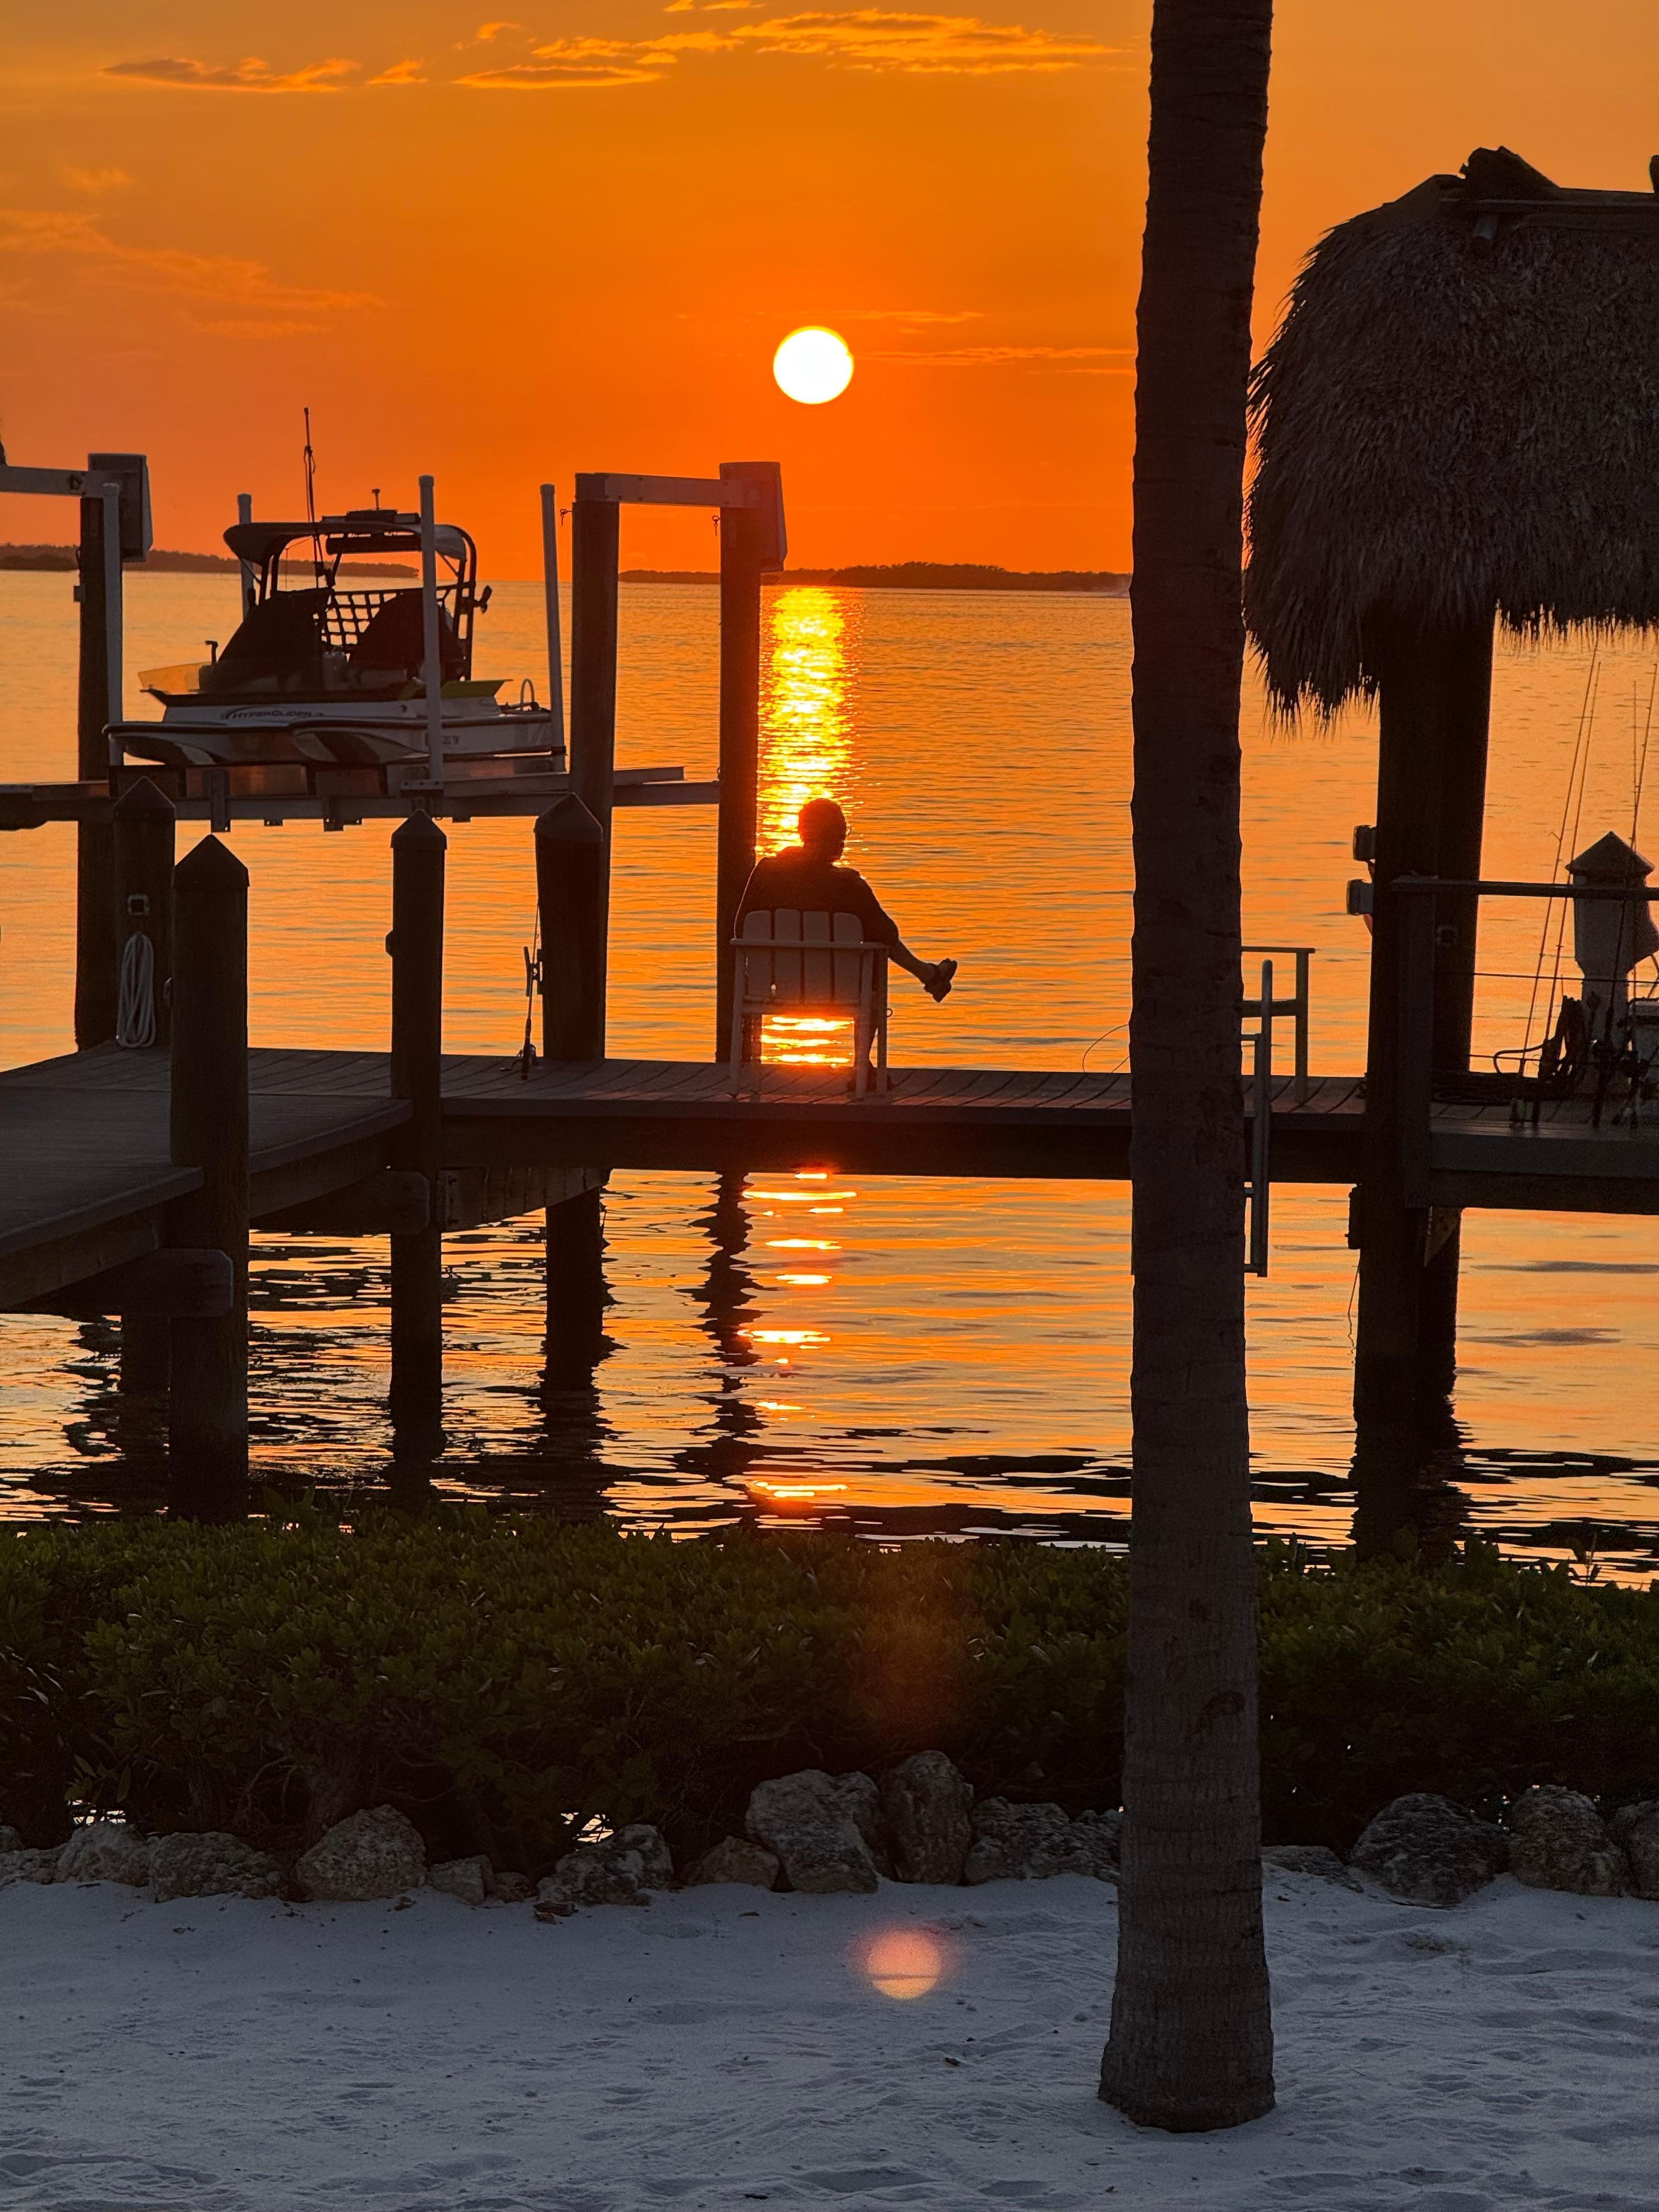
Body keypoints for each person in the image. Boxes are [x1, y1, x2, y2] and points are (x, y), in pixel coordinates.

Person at [737, 798, 957, 1001]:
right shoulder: (849, 885)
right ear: (837, 839)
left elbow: (740, 928)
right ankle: (927, 976)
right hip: (839, 987)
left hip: (772, 983)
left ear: (802, 833)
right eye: (842, 834)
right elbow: (888, 934)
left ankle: (929, 975)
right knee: (877, 949)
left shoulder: (766, 872)